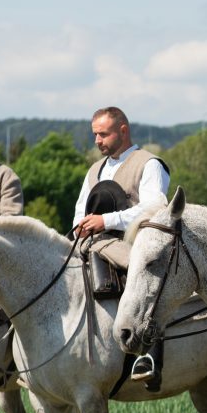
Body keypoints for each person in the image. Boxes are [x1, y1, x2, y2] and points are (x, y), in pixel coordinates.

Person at [72, 106, 170, 388]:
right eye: (95, 135)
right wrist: (81, 224)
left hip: (134, 243)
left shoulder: (148, 163)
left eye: (103, 134)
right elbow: (80, 209)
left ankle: (151, 354)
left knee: (147, 278)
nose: (97, 141)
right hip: (91, 242)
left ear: (123, 131)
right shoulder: (94, 169)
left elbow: (154, 206)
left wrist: (107, 220)